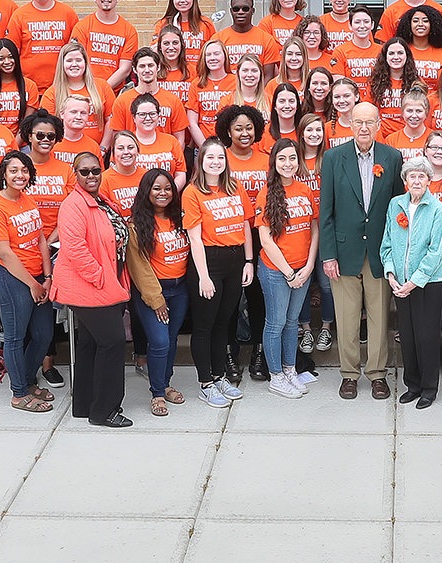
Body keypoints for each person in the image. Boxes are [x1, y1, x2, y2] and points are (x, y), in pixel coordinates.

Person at [319, 102, 405, 399]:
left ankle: (378, 374)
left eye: (369, 122)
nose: (364, 128)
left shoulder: (392, 157)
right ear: (350, 125)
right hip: (344, 251)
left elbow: (397, 209)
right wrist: (328, 255)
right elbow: (326, 211)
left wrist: (395, 252)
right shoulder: (333, 158)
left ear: (379, 124)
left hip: (379, 250)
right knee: (347, 316)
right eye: (358, 122)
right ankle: (349, 374)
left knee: (380, 316)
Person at [55, 150, 134, 427]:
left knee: (90, 343)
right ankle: (104, 410)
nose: (91, 175)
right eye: (84, 171)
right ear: (75, 174)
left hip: (106, 283)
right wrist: (100, 278)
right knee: (112, 342)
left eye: (95, 170)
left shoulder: (101, 200)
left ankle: (85, 404)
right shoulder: (73, 205)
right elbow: (76, 248)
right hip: (91, 287)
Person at [184, 138, 255, 407]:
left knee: (223, 323)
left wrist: (249, 261)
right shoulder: (192, 193)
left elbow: (246, 225)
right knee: (204, 325)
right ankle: (206, 383)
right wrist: (203, 276)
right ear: (201, 161)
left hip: (235, 260)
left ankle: (219, 375)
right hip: (209, 262)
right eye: (210, 157)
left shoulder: (235, 187)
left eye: (220, 158)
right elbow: (195, 238)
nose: (216, 162)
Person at [0, 150, 54, 412]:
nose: (20, 175)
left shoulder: (28, 200)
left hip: (38, 277)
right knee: (15, 337)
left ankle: (26, 380)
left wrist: (47, 277)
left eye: (24, 170)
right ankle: (19, 393)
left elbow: (40, 239)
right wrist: (32, 284)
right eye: (13, 170)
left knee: (43, 335)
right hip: (11, 278)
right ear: (3, 174)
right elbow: (4, 253)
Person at [256, 139, 321, 399]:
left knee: (293, 322)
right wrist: (289, 273)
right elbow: (265, 240)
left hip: (302, 269)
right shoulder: (266, 193)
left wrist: (309, 265)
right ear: (274, 162)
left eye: (292, 158)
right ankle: (276, 376)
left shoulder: (305, 190)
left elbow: (313, 229)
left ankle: (290, 369)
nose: (288, 163)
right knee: (276, 323)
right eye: (282, 158)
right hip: (276, 271)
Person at [382, 158, 442, 407]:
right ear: (405, 181)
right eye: (412, 176)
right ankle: (412, 385)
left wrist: (414, 282)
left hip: (428, 282)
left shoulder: (437, 209)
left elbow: (436, 251)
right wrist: (391, 274)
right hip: (400, 283)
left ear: (429, 180)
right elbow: (387, 242)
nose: (417, 180)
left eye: (422, 176)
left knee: (426, 336)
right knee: (407, 336)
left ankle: (429, 389)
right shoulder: (395, 205)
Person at [126, 168, 189, 416]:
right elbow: (138, 267)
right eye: (157, 188)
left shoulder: (180, 218)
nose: (163, 193)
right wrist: (156, 299)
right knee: (160, 341)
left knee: (171, 340)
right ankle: (157, 394)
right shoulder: (137, 225)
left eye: (167, 188)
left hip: (180, 289)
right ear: (146, 191)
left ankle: (165, 383)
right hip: (154, 291)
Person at [70, 0, 140, 89]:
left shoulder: (129, 31)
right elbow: (76, 62)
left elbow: (125, 69)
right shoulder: (81, 27)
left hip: (114, 93)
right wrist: (90, 90)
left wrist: (103, 90)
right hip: (85, 90)